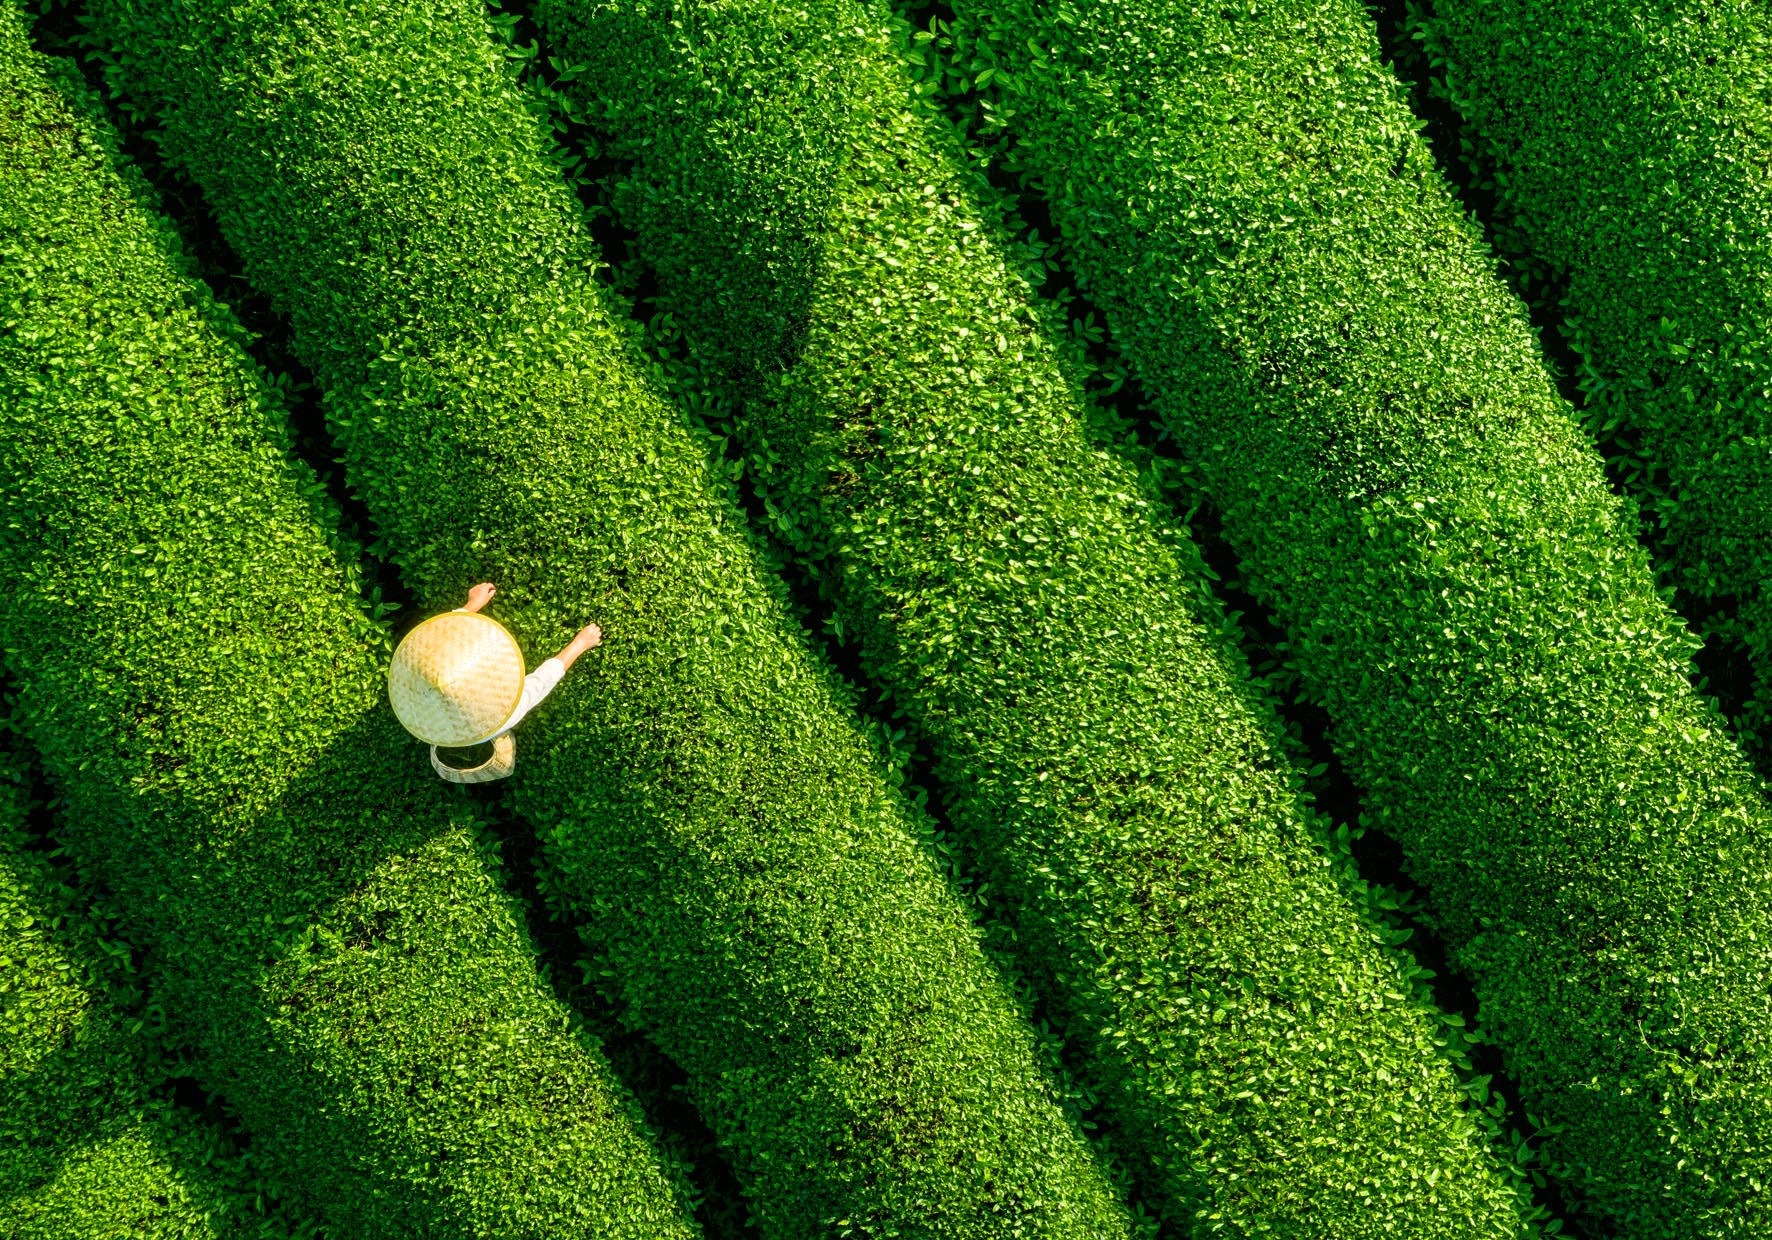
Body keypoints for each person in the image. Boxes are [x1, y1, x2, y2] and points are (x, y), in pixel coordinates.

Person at [386, 581, 601, 783]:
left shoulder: (417, 706)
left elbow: (439, 639)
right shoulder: (410, 681)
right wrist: (579, 643)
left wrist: (471, 606)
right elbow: (540, 682)